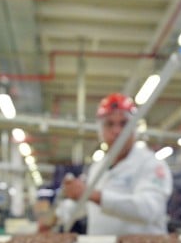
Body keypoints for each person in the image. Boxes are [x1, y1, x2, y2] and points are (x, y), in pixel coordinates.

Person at [58, 93, 173, 235]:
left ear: (134, 128)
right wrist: (58, 215)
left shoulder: (151, 164)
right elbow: (88, 206)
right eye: (109, 124)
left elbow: (149, 209)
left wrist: (93, 195)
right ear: (101, 130)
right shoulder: (98, 167)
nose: (117, 131)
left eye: (124, 124)